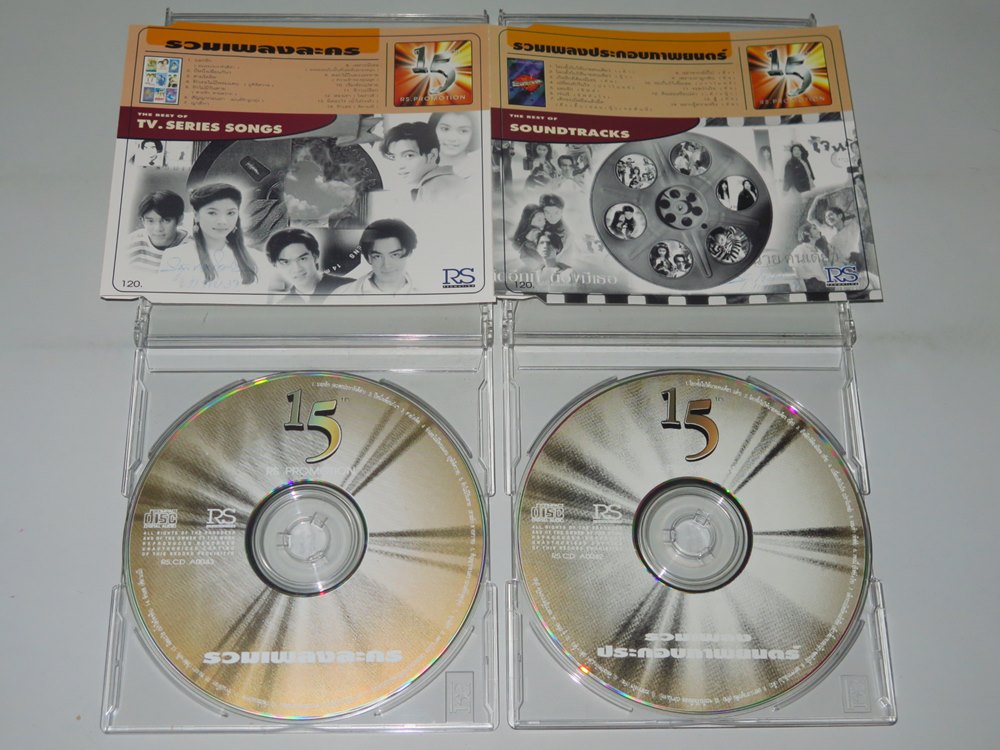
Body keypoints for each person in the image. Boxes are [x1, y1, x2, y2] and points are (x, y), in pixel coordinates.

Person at [159, 183, 262, 291]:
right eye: (212, 213)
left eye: (230, 213)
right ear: (196, 215)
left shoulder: (257, 259)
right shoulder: (174, 258)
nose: (222, 221)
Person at [380, 121, 464, 202]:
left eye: (409, 155)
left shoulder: (434, 188)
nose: (399, 165)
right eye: (393, 157)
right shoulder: (450, 180)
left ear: (432, 155)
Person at [265, 228, 350, 303]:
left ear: (315, 257)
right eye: (286, 262)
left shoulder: (348, 287)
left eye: (302, 259)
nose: (297, 269)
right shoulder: (282, 305)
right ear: (275, 266)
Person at [333, 218, 418, 294]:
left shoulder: (424, 290)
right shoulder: (342, 294)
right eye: (378, 256)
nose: (386, 265)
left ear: (409, 252)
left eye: (394, 255)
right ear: (369, 257)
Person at [127, 190, 188, 272]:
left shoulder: (192, 246)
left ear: (180, 219)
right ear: (143, 221)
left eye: (166, 220)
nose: (158, 228)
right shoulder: (131, 243)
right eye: (150, 221)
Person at [427, 111, 479, 177]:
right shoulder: (421, 164)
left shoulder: (479, 169)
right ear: (433, 129)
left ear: (473, 134)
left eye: (463, 131)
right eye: (445, 129)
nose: (452, 138)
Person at [511, 203, 546, 268]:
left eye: (544, 219)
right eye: (539, 220)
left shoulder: (524, 234)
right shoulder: (536, 232)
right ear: (529, 220)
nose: (544, 222)